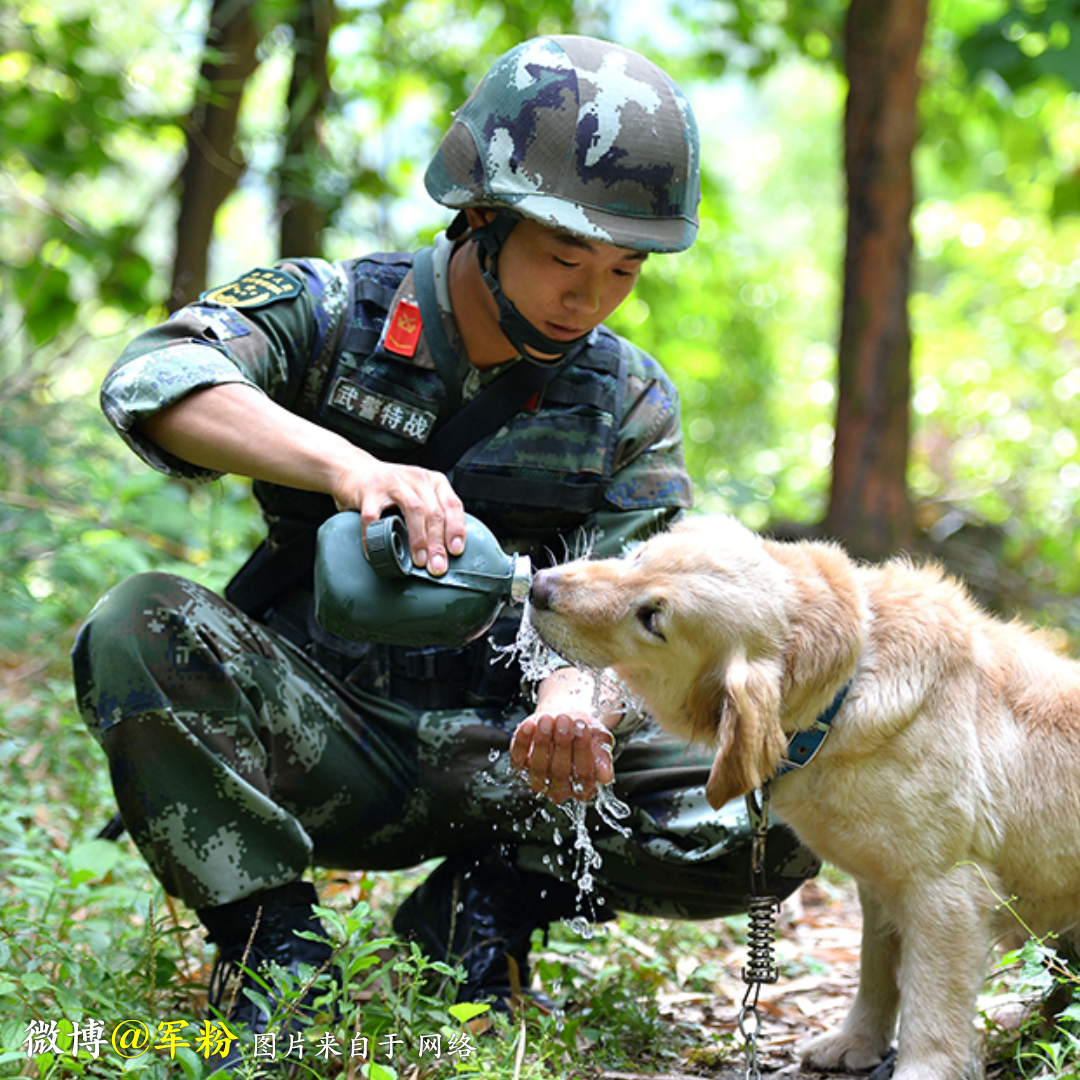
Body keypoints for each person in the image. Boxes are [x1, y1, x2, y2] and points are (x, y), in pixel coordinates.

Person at [72, 32, 818, 1062]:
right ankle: (271, 945)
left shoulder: (628, 398)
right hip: (327, 734)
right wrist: (348, 468)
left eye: (623, 269)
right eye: (565, 258)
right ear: (480, 218)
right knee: (137, 622)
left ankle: (483, 910)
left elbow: (643, 586)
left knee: (784, 807)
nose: (589, 297)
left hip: (521, 758)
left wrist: (577, 697)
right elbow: (152, 379)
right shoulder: (335, 311)